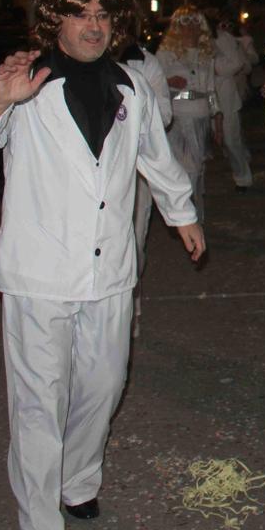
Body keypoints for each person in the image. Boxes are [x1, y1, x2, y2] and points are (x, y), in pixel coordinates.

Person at [0, 0, 205, 530]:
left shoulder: (130, 85)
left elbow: (154, 156)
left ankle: (79, 477)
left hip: (109, 264)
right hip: (38, 269)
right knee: (38, 402)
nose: (93, 26)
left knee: (105, 383)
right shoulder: (20, 76)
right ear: (54, 19)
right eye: (80, 13)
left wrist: (181, 210)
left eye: (103, 15)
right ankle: (40, 518)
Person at [117, 20, 173, 338]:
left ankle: (130, 307)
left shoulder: (144, 65)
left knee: (134, 240)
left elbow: (163, 113)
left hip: (134, 169)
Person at [156, 6, 221, 221]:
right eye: (184, 24)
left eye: (194, 23)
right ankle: (187, 215)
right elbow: (153, 86)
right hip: (177, 119)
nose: (189, 29)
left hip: (200, 118)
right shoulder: (166, 55)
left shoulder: (206, 54)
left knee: (196, 169)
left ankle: (192, 215)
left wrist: (217, 119)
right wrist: (168, 83)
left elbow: (211, 90)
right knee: (185, 169)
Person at [209, 11, 253, 193]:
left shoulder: (225, 39)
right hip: (208, 94)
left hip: (225, 93)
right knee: (218, 137)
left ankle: (243, 177)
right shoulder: (199, 42)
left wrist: (217, 68)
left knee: (230, 138)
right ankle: (242, 159)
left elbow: (237, 63)